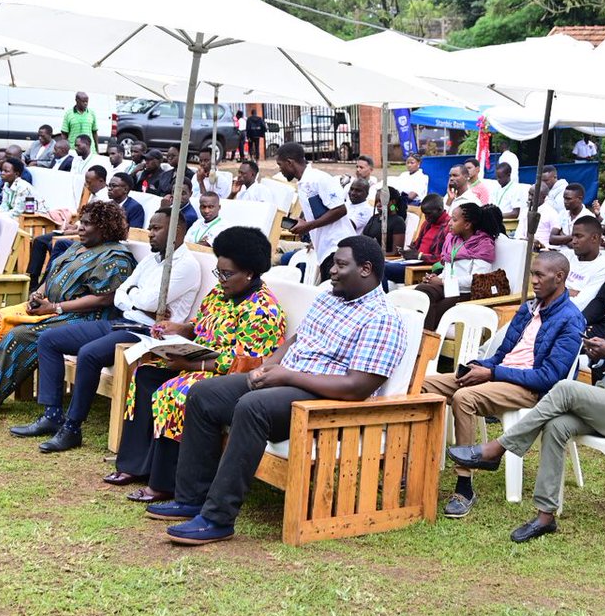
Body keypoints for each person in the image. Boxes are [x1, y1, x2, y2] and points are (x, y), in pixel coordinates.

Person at [146, 236, 406, 546]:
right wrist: (268, 366)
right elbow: (297, 340)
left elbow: (356, 387)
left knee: (252, 406)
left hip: (325, 401)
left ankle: (217, 519)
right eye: (333, 264)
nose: (332, 270)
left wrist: (289, 376)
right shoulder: (329, 298)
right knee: (204, 394)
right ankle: (191, 499)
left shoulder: (382, 319)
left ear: (365, 269)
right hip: (287, 380)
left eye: (340, 264)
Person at [448, 261, 605, 542]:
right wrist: (598, 357)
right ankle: (545, 516)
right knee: (557, 425)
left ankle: (497, 449)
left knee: (565, 388)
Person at [110, 226, 286, 500]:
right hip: (196, 359)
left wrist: (192, 365)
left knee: (174, 392)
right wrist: (180, 329)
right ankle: (136, 464)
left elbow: (247, 364)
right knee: (146, 374)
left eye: (227, 274)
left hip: (226, 377)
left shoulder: (263, 310)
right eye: (219, 272)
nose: (221, 279)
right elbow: (202, 323)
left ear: (250, 273)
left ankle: (165, 482)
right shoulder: (221, 292)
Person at [13, 208, 202, 453]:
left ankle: (72, 428)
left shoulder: (186, 265)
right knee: (49, 339)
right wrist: (135, 299)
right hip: (123, 320)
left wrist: (135, 298)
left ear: (176, 231)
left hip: (148, 333)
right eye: (150, 228)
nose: (150, 234)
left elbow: (150, 302)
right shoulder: (153, 259)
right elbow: (120, 295)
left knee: (89, 353)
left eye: (156, 229)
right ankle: (52, 415)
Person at [425, 250, 583, 519]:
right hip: (500, 376)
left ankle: (464, 486)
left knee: (465, 397)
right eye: (532, 274)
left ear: (559, 277)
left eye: (539, 275)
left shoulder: (571, 318)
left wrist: (492, 373)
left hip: (531, 388)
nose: (533, 280)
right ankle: (415, 464)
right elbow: (502, 354)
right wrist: (480, 366)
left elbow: (550, 377)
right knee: (424, 385)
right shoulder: (528, 309)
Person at [0, 202, 137, 411]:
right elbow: (53, 277)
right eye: (80, 222)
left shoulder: (115, 258)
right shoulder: (78, 247)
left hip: (86, 318)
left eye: (87, 224)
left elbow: (104, 299)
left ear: (105, 228)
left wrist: (55, 307)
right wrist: (38, 293)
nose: (80, 228)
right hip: (54, 309)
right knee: (3, 322)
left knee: (20, 334)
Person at [414, 202, 503, 331]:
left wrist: (443, 282)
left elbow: (478, 279)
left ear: (467, 225)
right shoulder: (452, 239)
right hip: (448, 288)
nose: (449, 223)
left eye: (454, 220)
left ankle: (425, 337)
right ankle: (422, 334)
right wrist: (435, 278)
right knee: (422, 290)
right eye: (451, 218)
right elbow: (448, 270)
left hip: (466, 293)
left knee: (433, 308)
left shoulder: (483, 244)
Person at [24, 167, 120, 286]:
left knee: (53, 243)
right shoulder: (93, 195)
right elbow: (85, 219)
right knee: (39, 240)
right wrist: (73, 226)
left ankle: (47, 282)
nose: (86, 185)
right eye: (86, 182)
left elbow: (95, 226)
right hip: (77, 230)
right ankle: (33, 281)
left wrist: (74, 231)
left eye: (89, 182)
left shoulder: (105, 200)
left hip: (85, 236)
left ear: (100, 181)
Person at [276, 141, 353, 279]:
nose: (280, 170)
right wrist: (306, 226)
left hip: (337, 248)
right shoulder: (303, 183)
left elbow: (340, 209)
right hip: (323, 250)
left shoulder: (318, 179)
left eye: (280, 165)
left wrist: (308, 226)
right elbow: (320, 214)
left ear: (289, 163)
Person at [381, 193, 448, 288]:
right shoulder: (427, 223)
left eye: (429, 214)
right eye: (424, 214)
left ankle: (382, 297)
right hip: (413, 262)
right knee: (378, 264)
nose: (426, 217)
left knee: (382, 268)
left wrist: (420, 256)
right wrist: (407, 252)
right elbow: (416, 245)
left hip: (427, 269)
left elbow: (442, 259)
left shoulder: (448, 226)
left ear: (440, 209)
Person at [566, 216, 605, 310]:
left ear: (594, 238)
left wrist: (557, 291)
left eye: (579, 236)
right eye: (573, 236)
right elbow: (545, 289)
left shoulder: (603, 268)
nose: (573, 241)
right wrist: (569, 292)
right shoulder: (567, 256)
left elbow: (579, 305)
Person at [364, 186, 408, 254]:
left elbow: (396, 253)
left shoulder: (398, 222)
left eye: (381, 201)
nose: (378, 204)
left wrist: (375, 255)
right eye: (377, 201)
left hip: (384, 258)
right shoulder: (374, 218)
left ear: (393, 202)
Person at [515, 184, 558, 249]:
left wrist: (540, 245)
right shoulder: (525, 211)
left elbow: (553, 240)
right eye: (529, 194)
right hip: (524, 246)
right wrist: (523, 240)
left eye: (533, 195)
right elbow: (518, 234)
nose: (529, 198)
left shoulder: (552, 213)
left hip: (544, 250)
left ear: (544, 197)